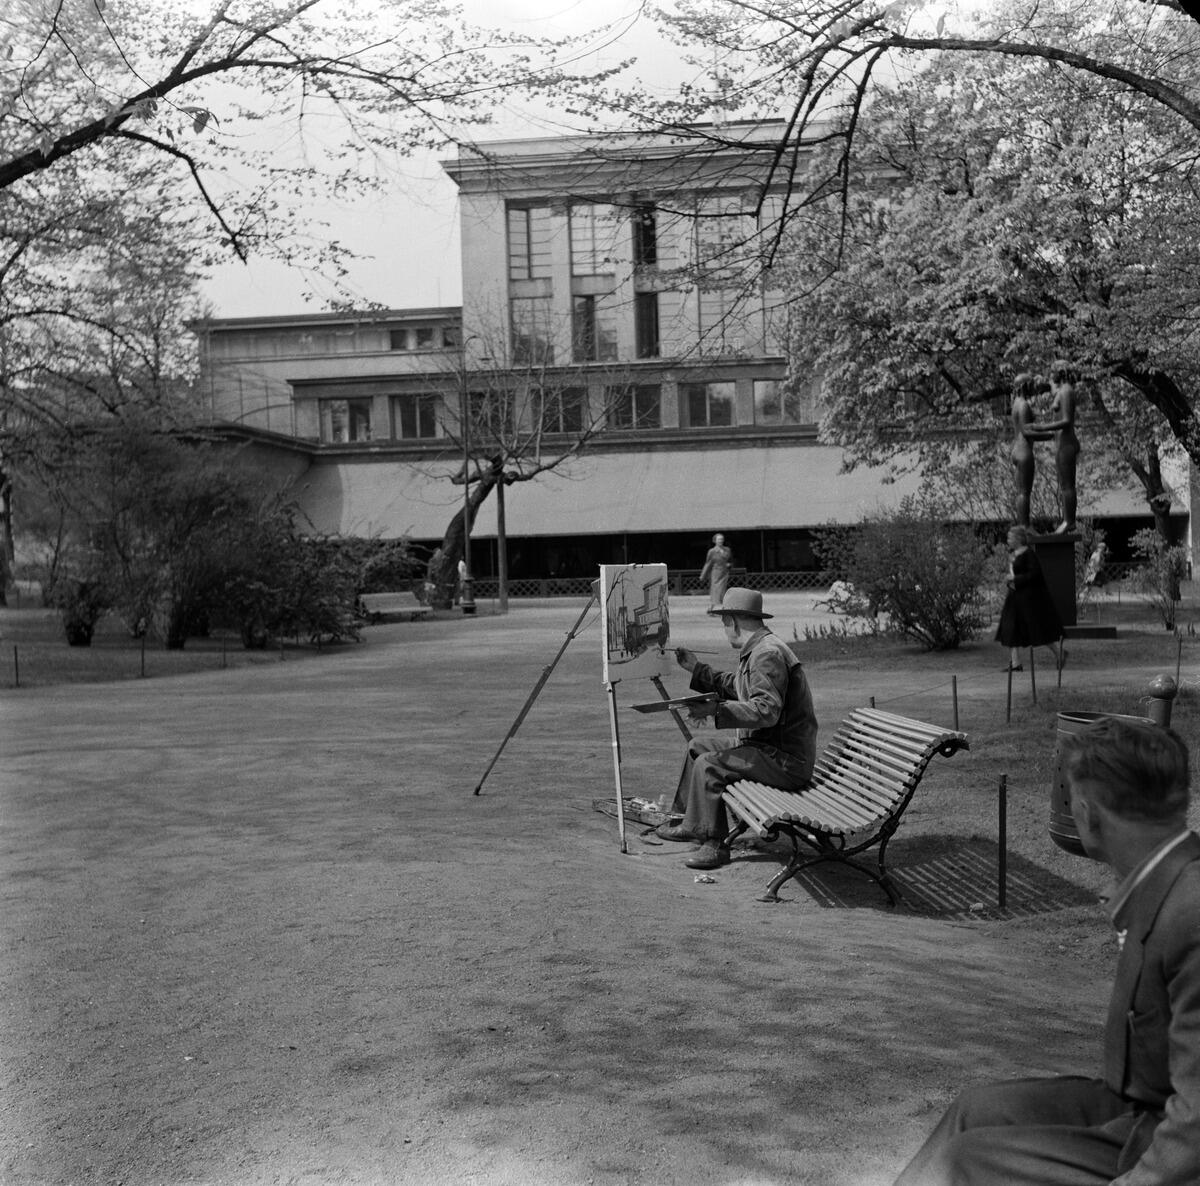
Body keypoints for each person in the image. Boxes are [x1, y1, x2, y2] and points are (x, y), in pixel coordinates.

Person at [893, 714, 1200, 1185]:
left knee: (968, 1160)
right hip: (1140, 1106)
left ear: (1088, 811)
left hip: (1167, 1138)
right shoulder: (1165, 877)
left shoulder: (1191, 911)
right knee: (976, 1111)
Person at [656, 587, 819, 871]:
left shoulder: (766, 654)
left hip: (785, 760)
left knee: (710, 764)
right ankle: (689, 822)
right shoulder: (761, 648)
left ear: (733, 621)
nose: (724, 628)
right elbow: (739, 686)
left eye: (724, 622)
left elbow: (766, 711)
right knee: (698, 748)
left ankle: (714, 844)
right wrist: (696, 670)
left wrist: (716, 710)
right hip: (768, 750)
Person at [995, 525, 1064, 672]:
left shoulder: (1029, 554)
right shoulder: (1014, 554)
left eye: (1010, 537)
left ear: (1019, 539)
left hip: (1028, 599)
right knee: (1010, 627)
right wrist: (1010, 581)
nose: (1008, 540)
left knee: (1037, 629)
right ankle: (1015, 663)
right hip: (1014, 597)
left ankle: (1060, 654)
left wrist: (1015, 578)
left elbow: (1035, 575)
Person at [1028, 359, 1080, 534]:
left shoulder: (1066, 391)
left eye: (1053, 371)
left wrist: (1041, 426)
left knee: (1067, 485)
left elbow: (1065, 421)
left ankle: (1069, 521)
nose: (1051, 374)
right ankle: (1067, 520)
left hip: (1066, 443)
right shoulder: (1061, 391)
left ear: (1062, 372)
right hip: (1061, 443)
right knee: (1064, 484)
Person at [1009, 373, 1051, 529]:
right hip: (1024, 451)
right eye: (1031, 384)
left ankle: (1023, 526)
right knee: (1024, 493)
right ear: (1024, 386)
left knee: (1022, 492)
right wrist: (1051, 435)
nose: (1034, 388)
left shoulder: (1015, 404)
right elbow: (1027, 432)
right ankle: (1025, 527)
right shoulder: (1024, 405)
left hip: (1017, 450)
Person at [698, 533, 733, 610]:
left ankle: (722, 609)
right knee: (715, 590)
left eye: (722, 539)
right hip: (715, 573)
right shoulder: (712, 551)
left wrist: (729, 564)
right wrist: (703, 575)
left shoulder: (727, 549)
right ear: (715, 541)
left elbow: (730, 560)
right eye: (719, 539)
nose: (721, 541)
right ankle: (712, 608)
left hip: (724, 573)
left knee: (723, 590)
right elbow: (708, 563)